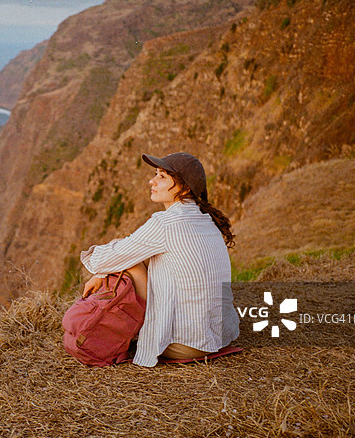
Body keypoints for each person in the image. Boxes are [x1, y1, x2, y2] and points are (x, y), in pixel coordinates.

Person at [80, 152, 239, 367]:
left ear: (183, 188)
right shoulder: (205, 219)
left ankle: (107, 328)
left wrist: (99, 272)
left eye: (162, 177)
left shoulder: (166, 223)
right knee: (132, 253)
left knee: (130, 263)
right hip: (219, 336)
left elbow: (108, 258)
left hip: (186, 342)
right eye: (155, 174)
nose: (152, 181)